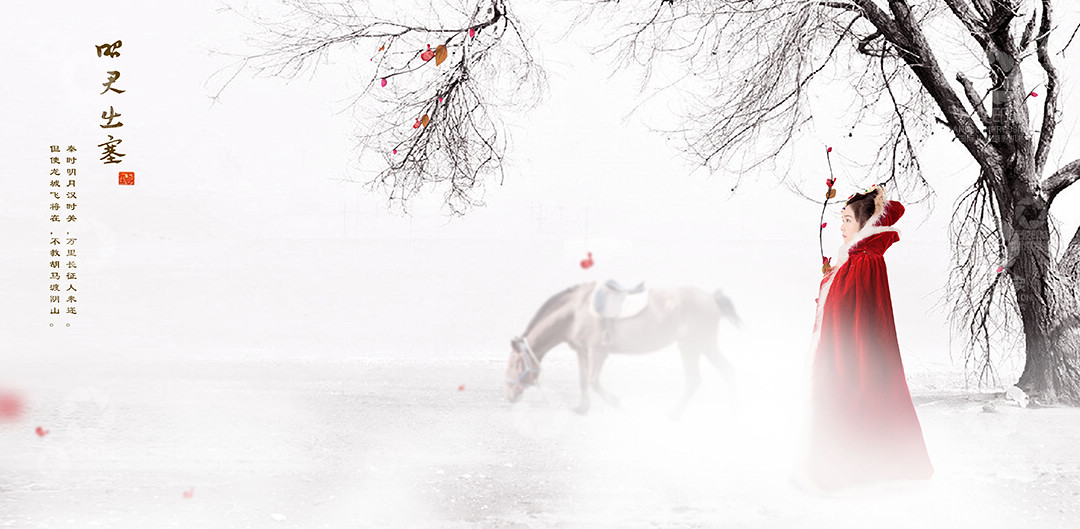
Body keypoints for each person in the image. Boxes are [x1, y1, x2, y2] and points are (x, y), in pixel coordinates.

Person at [801, 184, 934, 490]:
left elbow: (865, 314)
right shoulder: (854, 258)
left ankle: (859, 466)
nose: (841, 227)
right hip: (841, 350)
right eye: (841, 220)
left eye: (847, 220)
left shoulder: (866, 260)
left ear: (866, 224)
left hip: (855, 352)